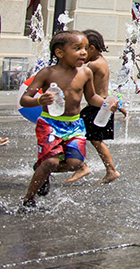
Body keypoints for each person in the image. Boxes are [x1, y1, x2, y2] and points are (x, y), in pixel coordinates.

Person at [18, 31, 107, 209]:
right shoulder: (47, 73)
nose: (83, 52)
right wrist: (39, 100)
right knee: (51, 161)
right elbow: (24, 100)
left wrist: (108, 104)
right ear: (59, 53)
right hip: (50, 124)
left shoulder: (86, 73)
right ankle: (29, 198)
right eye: (77, 48)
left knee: (75, 164)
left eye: (85, 48)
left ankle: (41, 169)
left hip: (75, 125)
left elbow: (91, 98)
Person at [70, 30, 125, 184]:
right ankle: (108, 170)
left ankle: (88, 167)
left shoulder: (93, 65)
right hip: (103, 104)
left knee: (77, 133)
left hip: (98, 106)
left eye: (83, 49)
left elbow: (76, 76)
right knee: (94, 139)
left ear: (92, 48)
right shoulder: (102, 60)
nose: (81, 53)